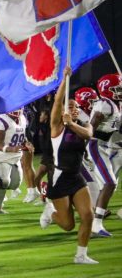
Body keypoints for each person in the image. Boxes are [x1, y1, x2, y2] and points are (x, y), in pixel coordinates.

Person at [39, 67, 97, 264]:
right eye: (70, 106)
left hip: (76, 176)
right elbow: (57, 100)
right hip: (59, 178)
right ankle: (51, 212)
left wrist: (72, 123)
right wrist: (64, 79)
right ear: (64, 110)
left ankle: (81, 255)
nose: (74, 109)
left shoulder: (84, 125)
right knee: (68, 225)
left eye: (76, 107)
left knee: (88, 215)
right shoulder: (56, 126)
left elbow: (88, 134)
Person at [87, 73, 122, 237]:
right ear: (107, 91)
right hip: (95, 144)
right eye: (116, 89)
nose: (120, 91)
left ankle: (95, 222)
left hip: (104, 145)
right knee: (110, 183)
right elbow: (92, 125)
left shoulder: (115, 104)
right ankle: (96, 224)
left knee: (109, 184)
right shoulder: (105, 104)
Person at [0, 106, 32, 214]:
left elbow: (20, 135)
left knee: (15, 184)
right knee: (4, 182)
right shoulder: (1, 120)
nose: (16, 109)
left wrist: (26, 144)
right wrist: (11, 148)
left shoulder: (22, 119)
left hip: (14, 156)